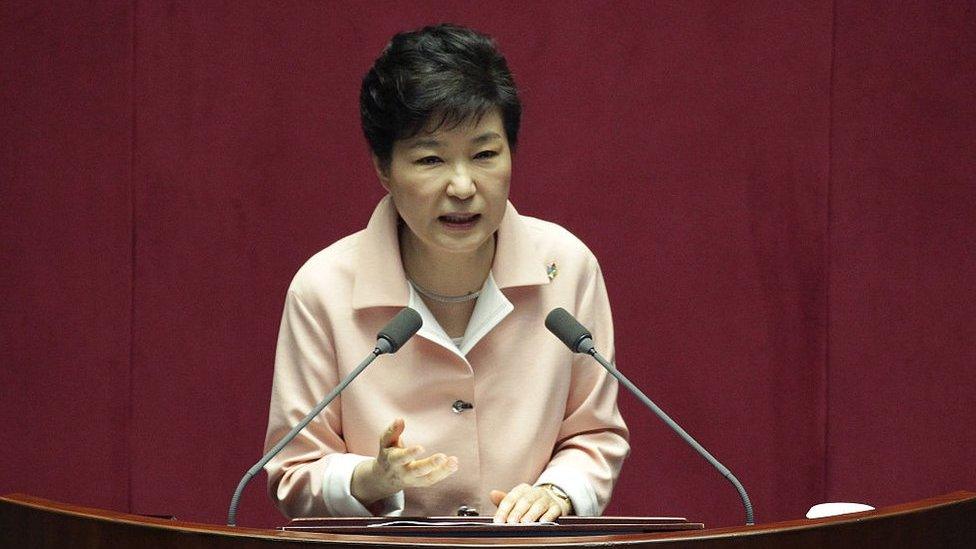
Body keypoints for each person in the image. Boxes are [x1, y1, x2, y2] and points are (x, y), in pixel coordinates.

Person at [263, 23, 629, 523]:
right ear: (383, 167)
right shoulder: (324, 288)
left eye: (484, 154)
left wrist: (556, 492)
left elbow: (594, 434)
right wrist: (367, 479)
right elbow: (292, 469)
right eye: (431, 158)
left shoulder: (565, 268)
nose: (462, 186)